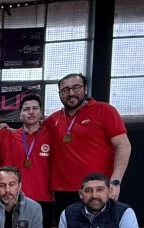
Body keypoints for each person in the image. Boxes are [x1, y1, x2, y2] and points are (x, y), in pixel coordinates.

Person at [43, 73, 131, 216]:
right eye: (65, 90)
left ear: (85, 89)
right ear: (59, 94)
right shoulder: (53, 120)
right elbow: (31, 133)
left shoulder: (104, 110)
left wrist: (115, 181)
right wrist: (6, 128)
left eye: (76, 87)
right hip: (64, 192)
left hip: (97, 190)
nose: (71, 93)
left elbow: (124, 146)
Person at [0, 94, 53, 228]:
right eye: (26, 109)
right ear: (20, 113)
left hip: (43, 198)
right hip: (15, 199)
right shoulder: (11, 136)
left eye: (34, 108)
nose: (30, 112)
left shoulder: (50, 135)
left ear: (41, 113)